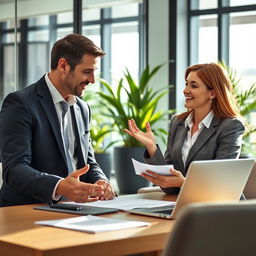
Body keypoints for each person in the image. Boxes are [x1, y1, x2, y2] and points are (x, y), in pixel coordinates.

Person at [0, 33, 115, 206]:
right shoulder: (20, 103)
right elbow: (14, 169)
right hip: (26, 211)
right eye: (87, 72)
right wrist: (59, 186)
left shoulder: (82, 108)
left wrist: (101, 181)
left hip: (73, 211)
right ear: (63, 65)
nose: (92, 80)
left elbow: (88, 161)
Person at [125, 63, 245, 194]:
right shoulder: (178, 123)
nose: (185, 90)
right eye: (186, 84)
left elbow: (220, 182)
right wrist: (152, 147)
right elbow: (169, 186)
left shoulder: (230, 126)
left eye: (193, 85)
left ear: (212, 93)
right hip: (183, 202)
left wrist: (182, 182)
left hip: (219, 206)